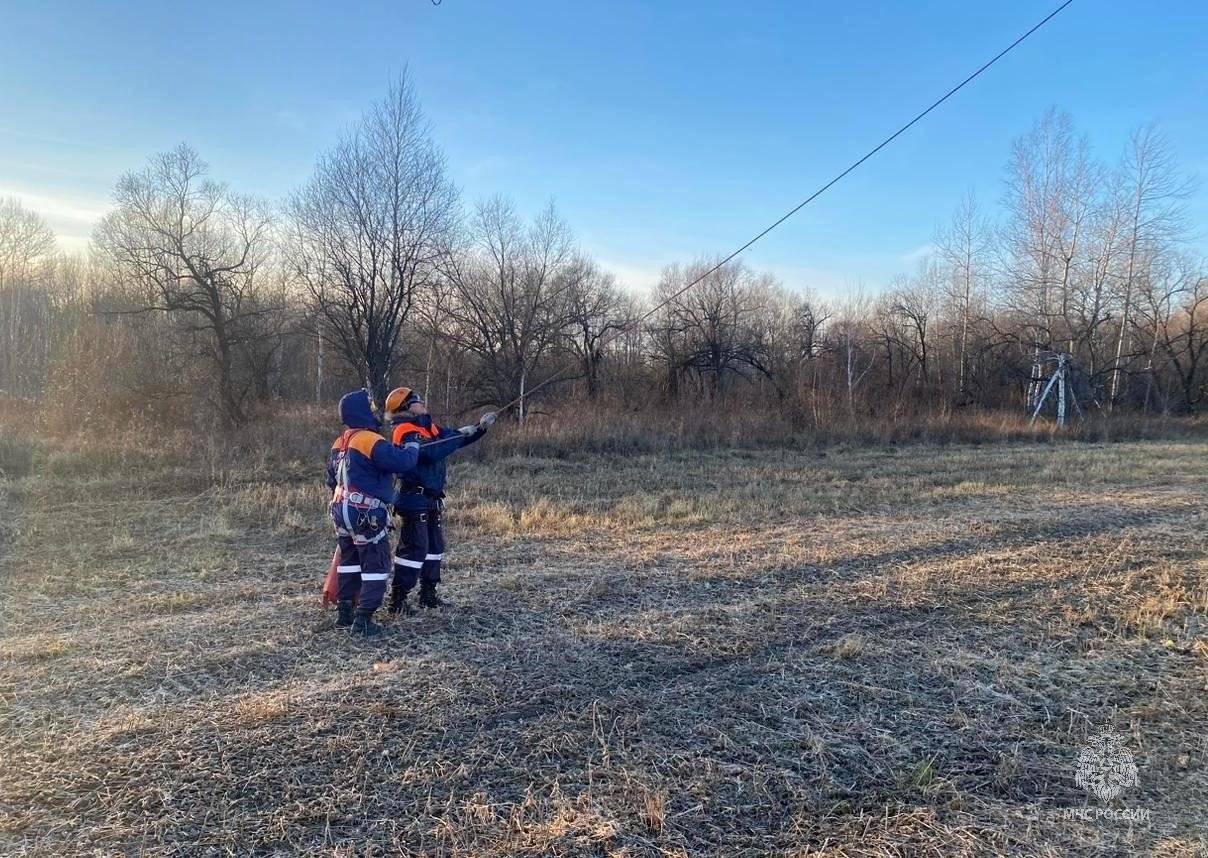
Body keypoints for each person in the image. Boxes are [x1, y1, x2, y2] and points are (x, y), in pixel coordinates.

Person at [382, 386, 496, 614]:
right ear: (405, 407)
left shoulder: (428, 427)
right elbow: (431, 452)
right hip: (413, 497)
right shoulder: (404, 430)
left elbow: (453, 439)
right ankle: (398, 600)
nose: (422, 402)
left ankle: (428, 594)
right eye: (416, 400)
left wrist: (479, 428)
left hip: (432, 498)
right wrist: (457, 435)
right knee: (414, 549)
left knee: (434, 548)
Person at [326, 388, 421, 636]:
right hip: (366, 513)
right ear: (362, 411)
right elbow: (403, 462)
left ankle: (345, 612)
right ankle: (364, 619)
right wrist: (412, 443)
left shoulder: (339, 442)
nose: (375, 412)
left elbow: (330, 480)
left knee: (349, 561)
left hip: (340, 512)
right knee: (376, 564)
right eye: (370, 408)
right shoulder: (370, 440)